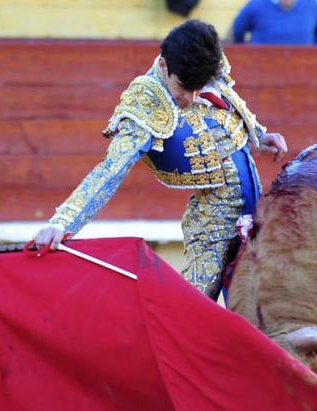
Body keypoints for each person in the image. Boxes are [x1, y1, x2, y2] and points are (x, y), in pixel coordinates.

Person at [33, 20, 287, 301]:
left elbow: (225, 104)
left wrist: (256, 135)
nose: (190, 98)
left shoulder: (201, 66)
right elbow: (111, 169)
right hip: (214, 223)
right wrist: (63, 222)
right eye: (184, 87)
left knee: (263, 302)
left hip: (255, 208)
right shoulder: (146, 102)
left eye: (198, 87)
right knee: (196, 308)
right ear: (164, 66)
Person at [232, 0, 317, 45]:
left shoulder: (311, 5)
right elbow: (237, 31)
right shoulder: (255, 5)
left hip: (303, 70)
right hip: (263, 71)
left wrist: (316, 55)